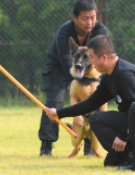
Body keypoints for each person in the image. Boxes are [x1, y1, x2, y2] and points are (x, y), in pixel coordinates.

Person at [45, 35, 135, 168]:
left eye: (91, 57)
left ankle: (130, 157)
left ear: (104, 57)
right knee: (97, 119)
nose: (90, 62)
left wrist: (123, 136)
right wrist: (58, 112)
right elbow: (90, 104)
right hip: (130, 121)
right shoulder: (109, 76)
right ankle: (126, 155)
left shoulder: (124, 74)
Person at [38, 0, 109, 156]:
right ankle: (46, 146)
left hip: (90, 70)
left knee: (93, 101)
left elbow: (102, 57)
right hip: (60, 67)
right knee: (54, 101)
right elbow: (66, 60)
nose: (89, 22)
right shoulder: (64, 32)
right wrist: (79, 81)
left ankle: (89, 147)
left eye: (93, 17)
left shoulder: (101, 32)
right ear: (74, 18)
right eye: (85, 18)